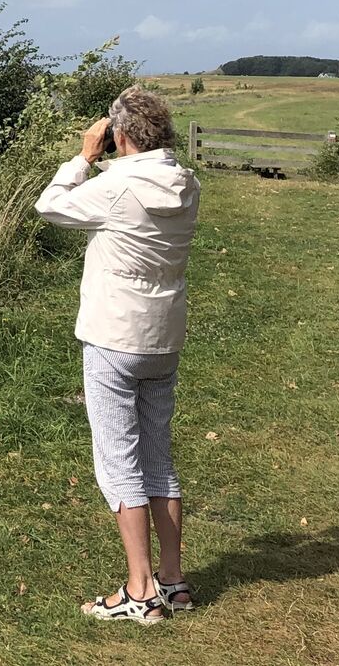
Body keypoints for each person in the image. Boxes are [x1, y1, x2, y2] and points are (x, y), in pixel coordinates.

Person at [34, 84, 201, 624]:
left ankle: (139, 590)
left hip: (113, 335)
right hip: (164, 335)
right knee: (158, 458)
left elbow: (50, 206)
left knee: (118, 462)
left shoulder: (112, 187)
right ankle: (172, 580)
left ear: (120, 135)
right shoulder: (187, 185)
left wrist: (84, 157)